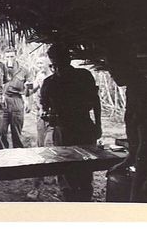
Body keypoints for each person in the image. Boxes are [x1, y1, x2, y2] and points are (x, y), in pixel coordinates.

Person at [106, 40, 147, 203]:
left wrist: (142, 177)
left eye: (113, 69)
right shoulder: (136, 89)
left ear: (127, 66)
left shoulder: (143, 93)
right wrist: (127, 162)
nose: (111, 74)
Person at [40, 43, 102, 202]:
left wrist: (98, 125)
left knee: (83, 168)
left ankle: (82, 199)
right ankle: (72, 198)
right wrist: (49, 117)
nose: (58, 67)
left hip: (82, 127)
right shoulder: (50, 82)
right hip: (64, 130)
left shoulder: (83, 76)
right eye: (55, 63)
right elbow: (45, 109)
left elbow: (95, 101)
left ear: (68, 59)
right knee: (67, 168)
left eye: (61, 62)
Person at [26, 55, 55, 200]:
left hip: (54, 118)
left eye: (41, 63)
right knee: (40, 147)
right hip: (41, 117)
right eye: (37, 63)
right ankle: (43, 177)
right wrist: (28, 88)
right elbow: (29, 92)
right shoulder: (39, 76)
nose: (39, 65)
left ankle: (37, 185)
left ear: (49, 64)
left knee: (49, 146)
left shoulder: (55, 78)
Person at [1, 47, 32, 148]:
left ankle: (18, 157)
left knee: (17, 132)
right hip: (3, 100)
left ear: (16, 56)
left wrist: (28, 102)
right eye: (7, 57)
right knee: (1, 131)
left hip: (17, 100)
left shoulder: (23, 70)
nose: (10, 59)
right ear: (4, 57)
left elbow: (29, 88)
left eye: (12, 56)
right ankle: (2, 157)